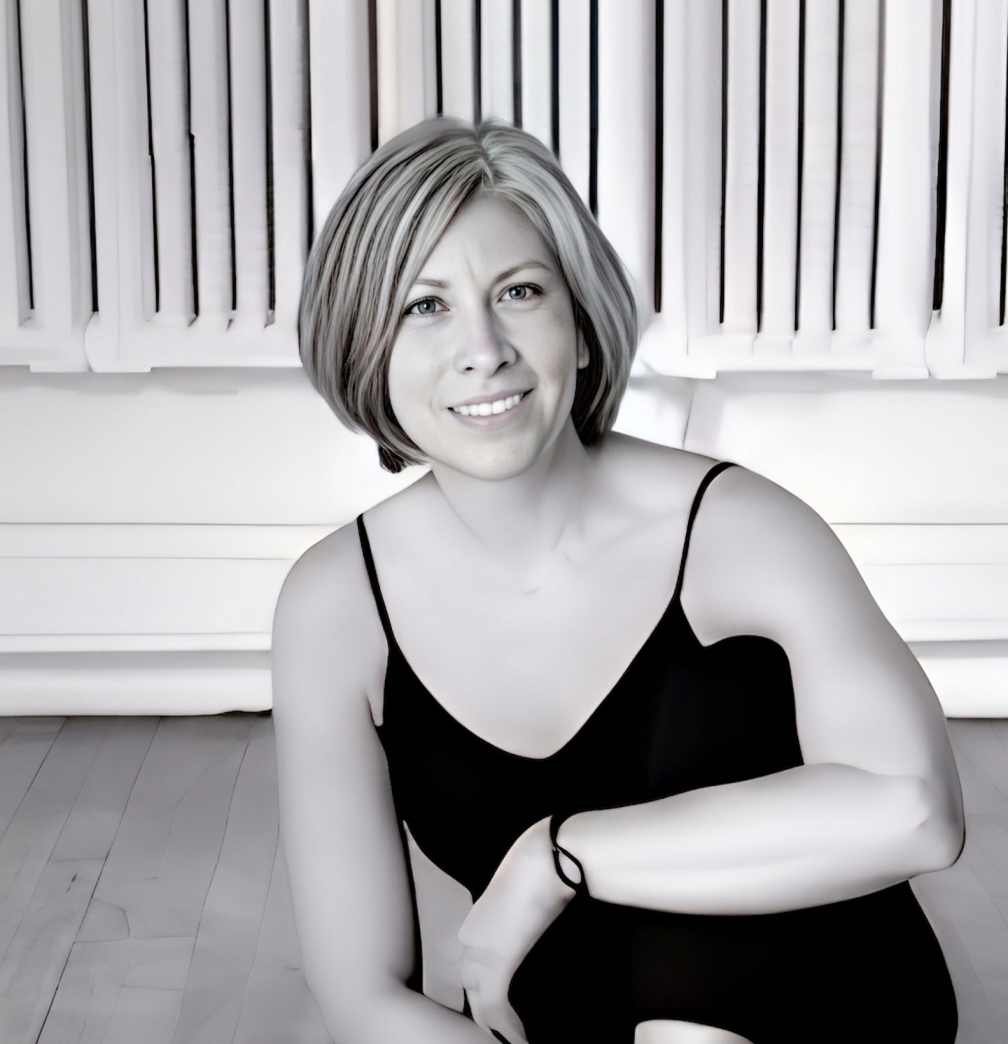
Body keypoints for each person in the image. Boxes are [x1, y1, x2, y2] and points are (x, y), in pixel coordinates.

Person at [272, 117, 964, 1044]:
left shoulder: (736, 528)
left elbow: (918, 812)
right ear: (365, 348)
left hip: (814, 996)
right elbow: (364, 998)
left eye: (519, 291)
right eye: (424, 307)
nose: (485, 347)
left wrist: (559, 855)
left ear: (583, 326)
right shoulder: (334, 607)